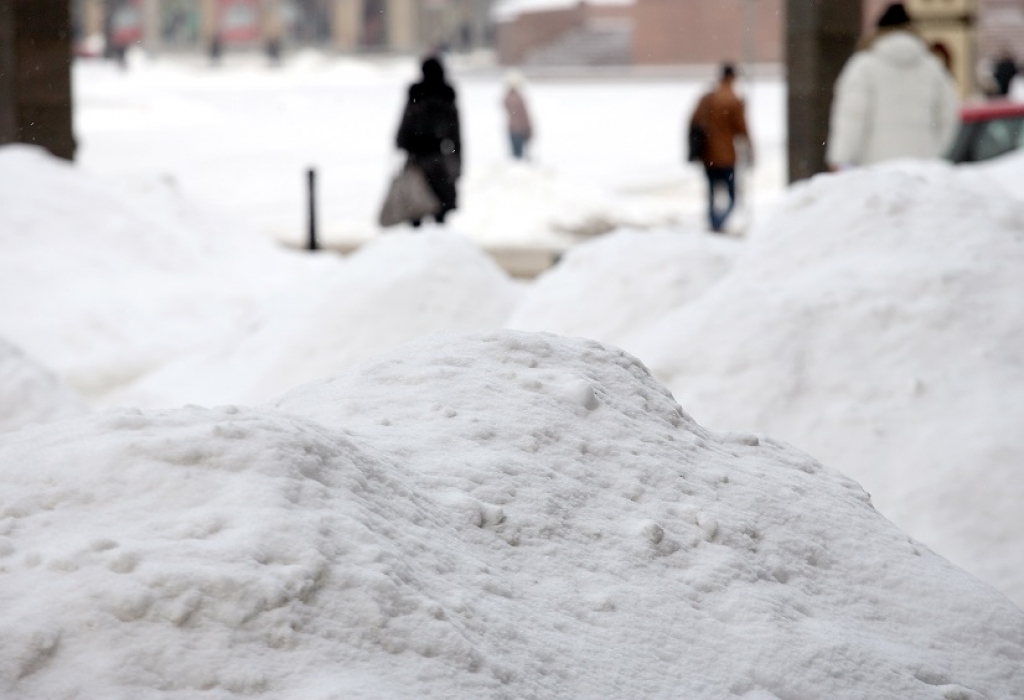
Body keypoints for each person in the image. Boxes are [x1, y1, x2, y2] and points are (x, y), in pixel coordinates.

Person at [826, 3, 958, 170]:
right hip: (921, 169)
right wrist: (934, 152)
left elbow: (851, 116)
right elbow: (949, 115)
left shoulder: (864, 66)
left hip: (875, 168)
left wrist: (840, 157)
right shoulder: (932, 67)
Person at [396, 56, 463, 226]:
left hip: (417, 156)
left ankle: (419, 246)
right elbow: (455, 131)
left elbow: (406, 122)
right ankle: (436, 245)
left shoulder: (417, 94)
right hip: (440, 157)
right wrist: (457, 160)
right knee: (439, 208)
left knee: (416, 204)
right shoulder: (446, 95)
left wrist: (403, 142)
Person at [688, 63, 753, 234]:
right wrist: (751, 150)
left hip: (707, 155)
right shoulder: (734, 100)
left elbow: (693, 122)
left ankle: (713, 222)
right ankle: (719, 223)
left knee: (711, 193)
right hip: (726, 157)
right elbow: (743, 130)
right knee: (731, 196)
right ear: (732, 78)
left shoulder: (707, 98)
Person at [503, 71, 533, 160]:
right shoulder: (518, 98)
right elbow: (523, 115)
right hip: (520, 129)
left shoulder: (507, 97)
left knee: (515, 155)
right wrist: (528, 128)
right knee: (518, 157)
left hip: (512, 128)